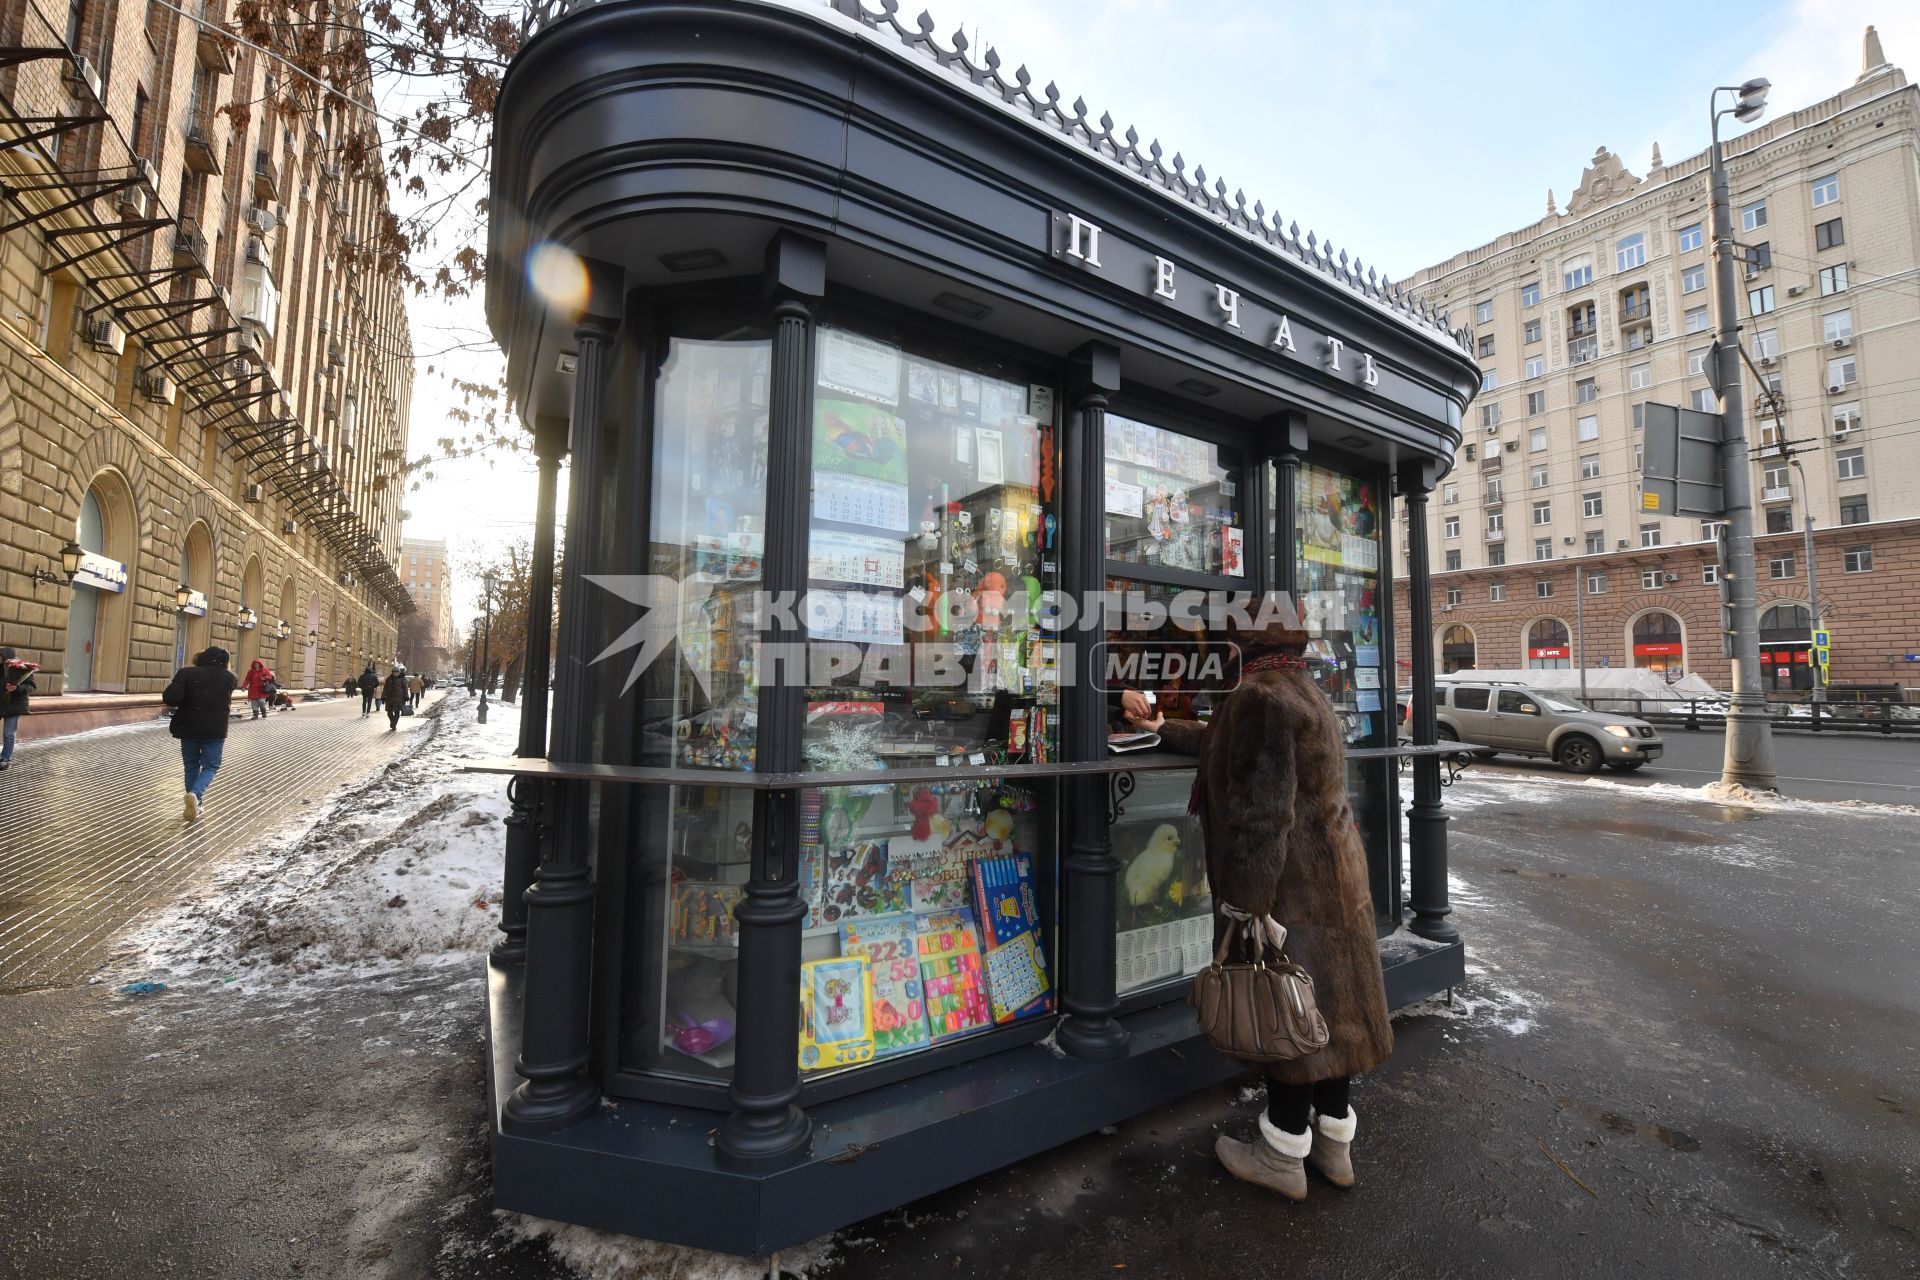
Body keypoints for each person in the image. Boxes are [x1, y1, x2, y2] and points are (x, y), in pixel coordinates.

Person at [1124, 604, 1392, 1201]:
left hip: (1286, 889)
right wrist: (1161, 728)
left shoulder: (1259, 699)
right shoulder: (1299, 691)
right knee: (1330, 1013)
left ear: (1238, 644)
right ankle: (1332, 1146)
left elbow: (1261, 815)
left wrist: (1248, 907)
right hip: (1333, 880)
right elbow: (1226, 746)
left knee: (1283, 1013)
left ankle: (1280, 1153)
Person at [163, 646, 238, 822]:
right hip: (215, 729)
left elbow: (170, 697)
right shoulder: (230, 678)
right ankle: (195, 795)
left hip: (188, 726)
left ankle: (196, 804)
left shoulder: (186, 673)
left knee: (191, 765)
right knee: (211, 766)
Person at [1, 647, 40, 772]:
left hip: (14, 705)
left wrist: (16, 688)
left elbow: (31, 687)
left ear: (7, 657)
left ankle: (6, 758)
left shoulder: (21, 669)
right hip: (1, 703)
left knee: (8, 733)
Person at [380, 664, 410, 731]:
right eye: (394, 672)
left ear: (399, 672)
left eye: (396, 672)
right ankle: (392, 722)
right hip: (389, 698)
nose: (395, 673)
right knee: (389, 712)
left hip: (399, 698)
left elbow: (405, 688)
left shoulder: (402, 679)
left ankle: (394, 725)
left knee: (397, 712)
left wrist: (406, 697)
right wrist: (383, 697)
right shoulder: (389, 679)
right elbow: (385, 688)